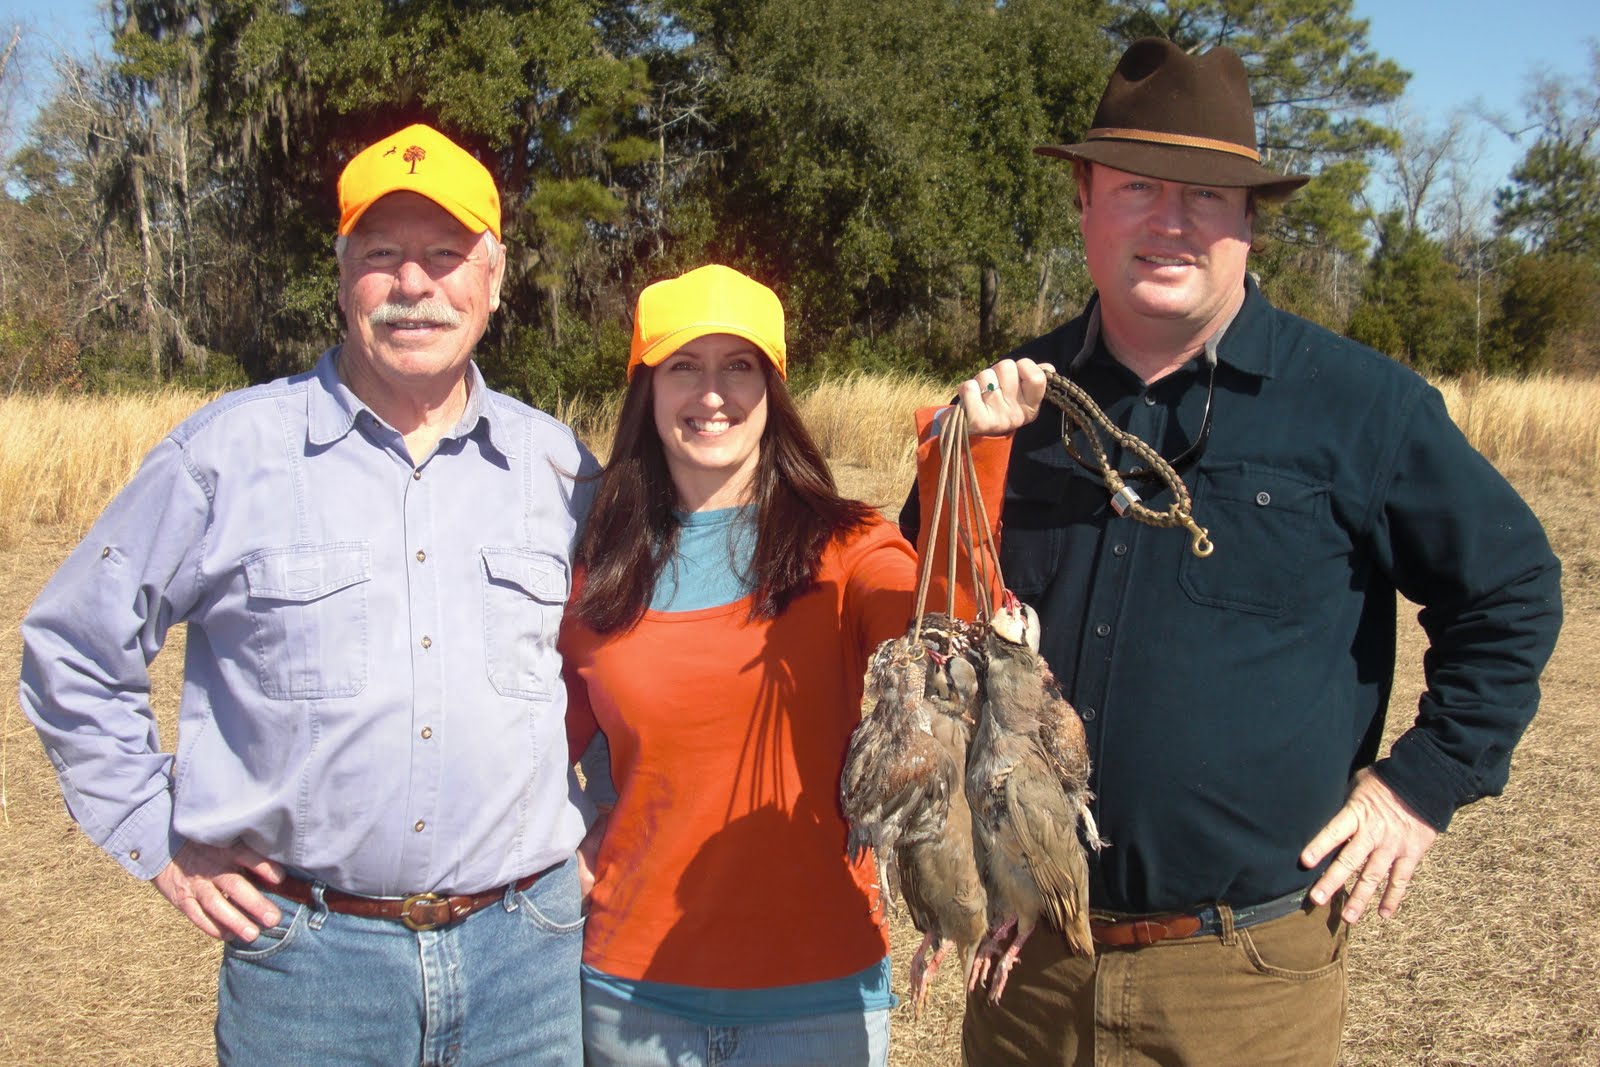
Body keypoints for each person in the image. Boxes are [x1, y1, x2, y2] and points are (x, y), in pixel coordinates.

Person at [901, 38, 1564, 1065]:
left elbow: (1511, 588)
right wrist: (964, 463)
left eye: (1207, 196)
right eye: (1135, 187)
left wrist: (1419, 782)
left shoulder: (1357, 405)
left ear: (1249, 220)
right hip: (1028, 963)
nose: (1170, 221)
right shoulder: (1005, 407)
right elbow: (926, 628)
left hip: (1240, 979)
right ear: (1083, 199)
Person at [20, 123, 597, 1065]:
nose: (415, 285)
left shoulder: (562, 470)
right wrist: (153, 832)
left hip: (527, 961)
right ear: (340, 278)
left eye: (446, 256)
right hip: (310, 972)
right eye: (382, 256)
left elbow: (637, 669)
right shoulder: (225, 457)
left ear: (494, 280)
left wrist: (605, 819)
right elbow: (74, 649)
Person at [561, 263, 1011, 1067]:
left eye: (739, 365)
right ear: (646, 389)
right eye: (682, 368)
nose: (711, 394)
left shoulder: (849, 547)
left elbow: (945, 637)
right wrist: (559, 837)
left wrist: (967, 458)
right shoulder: (599, 566)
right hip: (626, 996)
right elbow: (527, 737)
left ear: (773, 388)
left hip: (818, 1000)